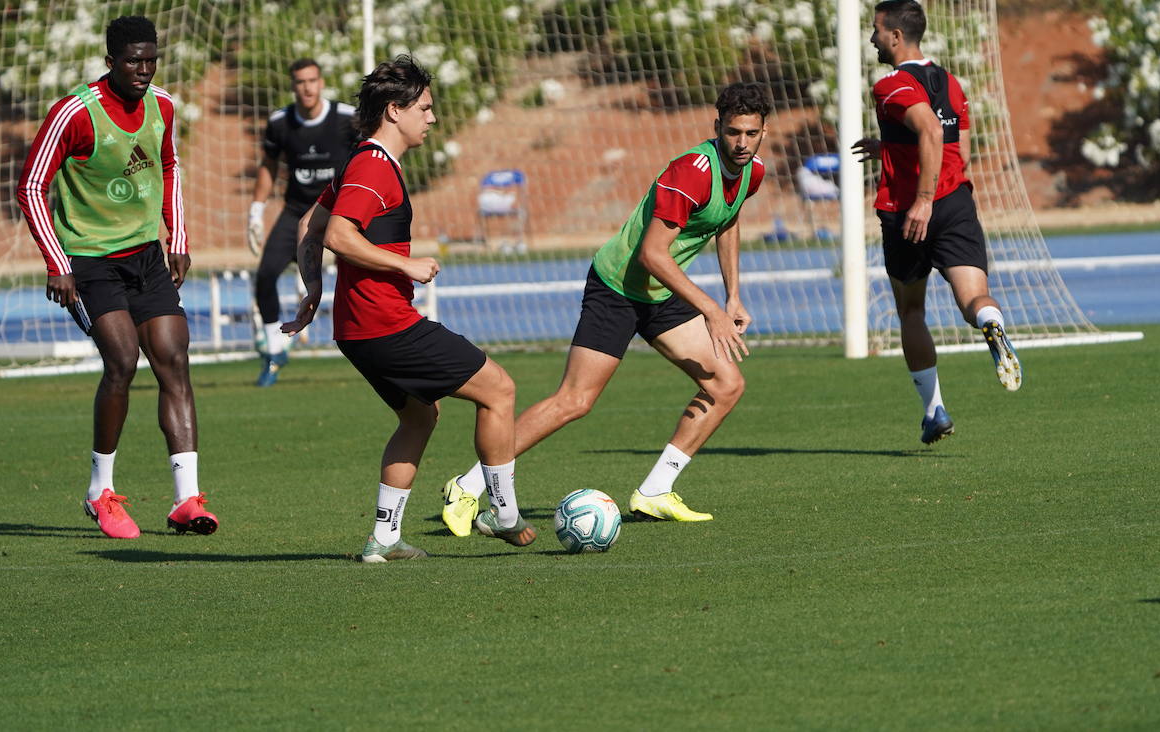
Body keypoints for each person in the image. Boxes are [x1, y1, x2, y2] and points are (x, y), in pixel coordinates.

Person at [440, 81, 771, 534]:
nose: (741, 143)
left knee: (726, 384)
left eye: (751, 134)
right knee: (574, 401)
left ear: (762, 133)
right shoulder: (692, 171)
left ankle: (655, 491)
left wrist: (733, 295)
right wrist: (712, 308)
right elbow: (651, 254)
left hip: (661, 293)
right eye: (733, 132)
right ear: (717, 127)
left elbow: (727, 222)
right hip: (618, 286)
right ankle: (468, 484)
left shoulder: (752, 172)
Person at [282, 55, 534, 563]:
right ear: (394, 111)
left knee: (420, 417)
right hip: (385, 325)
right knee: (500, 390)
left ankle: (384, 539)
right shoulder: (374, 167)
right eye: (425, 107)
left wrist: (312, 289)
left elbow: (310, 219)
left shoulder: (364, 162)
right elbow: (335, 233)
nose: (432, 118)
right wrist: (407, 266)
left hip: (356, 331)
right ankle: (502, 514)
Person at [16, 15, 217, 539]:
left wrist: (177, 238)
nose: (144, 69)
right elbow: (32, 186)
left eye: (151, 59)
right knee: (123, 361)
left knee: (174, 360)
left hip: (148, 256)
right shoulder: (74, 113)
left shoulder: (164, 106)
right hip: (90, 261)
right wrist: (58, 264)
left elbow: (169, 165)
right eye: (133, 60)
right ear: (110, 62)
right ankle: (99, 491)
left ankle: (186, 499)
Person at [852, 0, 1023, 446]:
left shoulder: (890, 84)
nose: (871, 38)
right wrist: (889, 148)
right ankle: (992, 323)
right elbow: (957, 151)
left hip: (911, 211)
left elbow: (927, 129)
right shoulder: (952, 83)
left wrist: (922, 199)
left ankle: (934, 411)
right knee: (974, 297)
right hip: (957, 203)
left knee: (912, 310)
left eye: (875, 29)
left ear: (894, 35)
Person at [248, 59, 357, 387]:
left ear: (321, 82)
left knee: (358, 278)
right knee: (265, 275)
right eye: (300, 82)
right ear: (293, 86)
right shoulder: (280, 123)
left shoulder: (348, 119)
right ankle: (274, 347)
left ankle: (376, 347)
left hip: (337, 212)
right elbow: (268, 167)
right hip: (295, 211)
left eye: (312, 80)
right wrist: (255, 209)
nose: (307, 87)